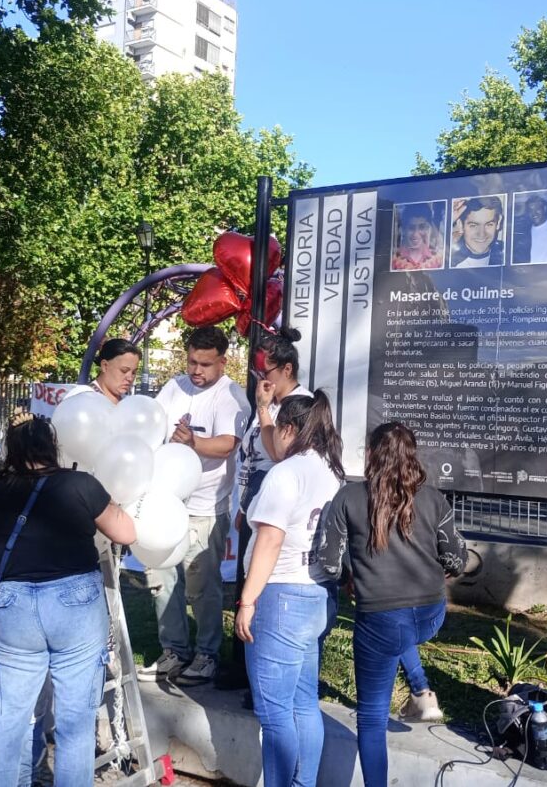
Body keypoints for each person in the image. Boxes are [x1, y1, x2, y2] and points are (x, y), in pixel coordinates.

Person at [0, 413, 136, 787]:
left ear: (11, 449)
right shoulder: (80, 484)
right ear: (51, 445)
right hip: (74, 604)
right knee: (75, 727)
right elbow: (126, 531)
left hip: (14, 608)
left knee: (5, 726)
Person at [316, 422, 468, 787]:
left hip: (380, 619)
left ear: (370, 455)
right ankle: (421, 692)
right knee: (399, 635)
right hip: (431, 614)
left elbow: (329, 563)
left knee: (370, 719)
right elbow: (457, 560)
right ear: (413, 457)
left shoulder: (348, 498)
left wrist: (350, 577)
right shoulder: (433, 499)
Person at [235, 391, 344, 787]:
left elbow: (269, 540)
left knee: (275, 712)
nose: (273, 441)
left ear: (290, 429)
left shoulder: (286, 473)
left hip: (280, 596)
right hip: (317, 593)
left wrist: (247, 600)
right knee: (302, 705)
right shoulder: (330, 469)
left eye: (276, 430)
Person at [141, 326, 250, 686]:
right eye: (192, 362)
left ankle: (207, 654)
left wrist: (192, 442)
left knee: (201, 583)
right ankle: (174, 649)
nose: (196, 370)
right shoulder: (174, 386)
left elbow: (227, 444)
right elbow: (152, 424)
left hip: (206, 504)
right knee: (161, 577)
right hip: (165, 499)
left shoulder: (231, 396)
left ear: (223, 361)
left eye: (204, 364)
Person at [219, 328, 313, 689]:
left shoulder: (298, 405)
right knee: (245, 580)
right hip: (254, 500)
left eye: (268, 373)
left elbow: (278, 453)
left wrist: (263, 408)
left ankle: (255, 673)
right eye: (259, 374)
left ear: (287, 370)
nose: (263, 381)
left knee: (258, 587)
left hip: (277, 503)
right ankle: (243, 665)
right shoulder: (273, 405)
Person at [450, 195, 505, 267]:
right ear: (460, 225)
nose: (481, 234)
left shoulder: (506, 253)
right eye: (473, 225)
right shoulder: (448, 259)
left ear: (498, 222)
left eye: (489, 224)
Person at [391, 203, 444, 270]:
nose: (416, 234)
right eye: (411, 228)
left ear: (427, 228)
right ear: (404, 230)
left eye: (421, 227)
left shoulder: (438, 260)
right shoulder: (394, 260)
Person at [92, 338, 142, 403]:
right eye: (124, 371)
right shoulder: (84, 399)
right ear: (104, 366)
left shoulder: (129, 402)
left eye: (134, 372)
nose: (130, 378)